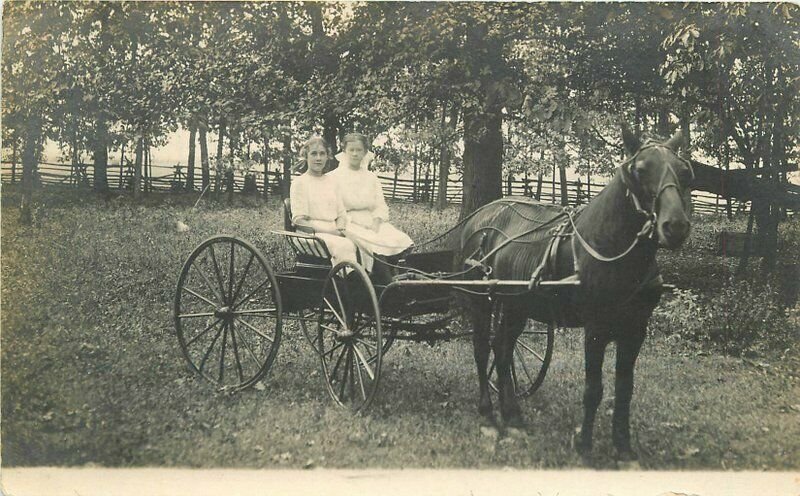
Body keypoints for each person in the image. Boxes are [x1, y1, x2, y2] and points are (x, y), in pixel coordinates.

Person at [330, 133, 413, 273]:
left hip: (372, 221)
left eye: (359, 150)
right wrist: (354, 223)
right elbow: (334, 208)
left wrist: (375, 223)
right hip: (348, 223)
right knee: (372, 245)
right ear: (344, 151)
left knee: (399, 240)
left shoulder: (371, 177)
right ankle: (383, 281)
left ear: (365, 152)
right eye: (351, 150)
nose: (355, 154)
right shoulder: (334, 177)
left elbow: (380, 205)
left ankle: (399, 276)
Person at [290, 136, 359, 267]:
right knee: (345, 245)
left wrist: (340, 228)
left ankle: (373, 281)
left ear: (328, 157)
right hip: (310, 236)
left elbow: (341, 214)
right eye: (314, 154)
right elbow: (299, 221)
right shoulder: (300, 183)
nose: (318, 158)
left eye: (322, 154)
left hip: (334, 231)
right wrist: (332, 232)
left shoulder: (332, 181)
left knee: (363, 242)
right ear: (306, 156)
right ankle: (349, 282)